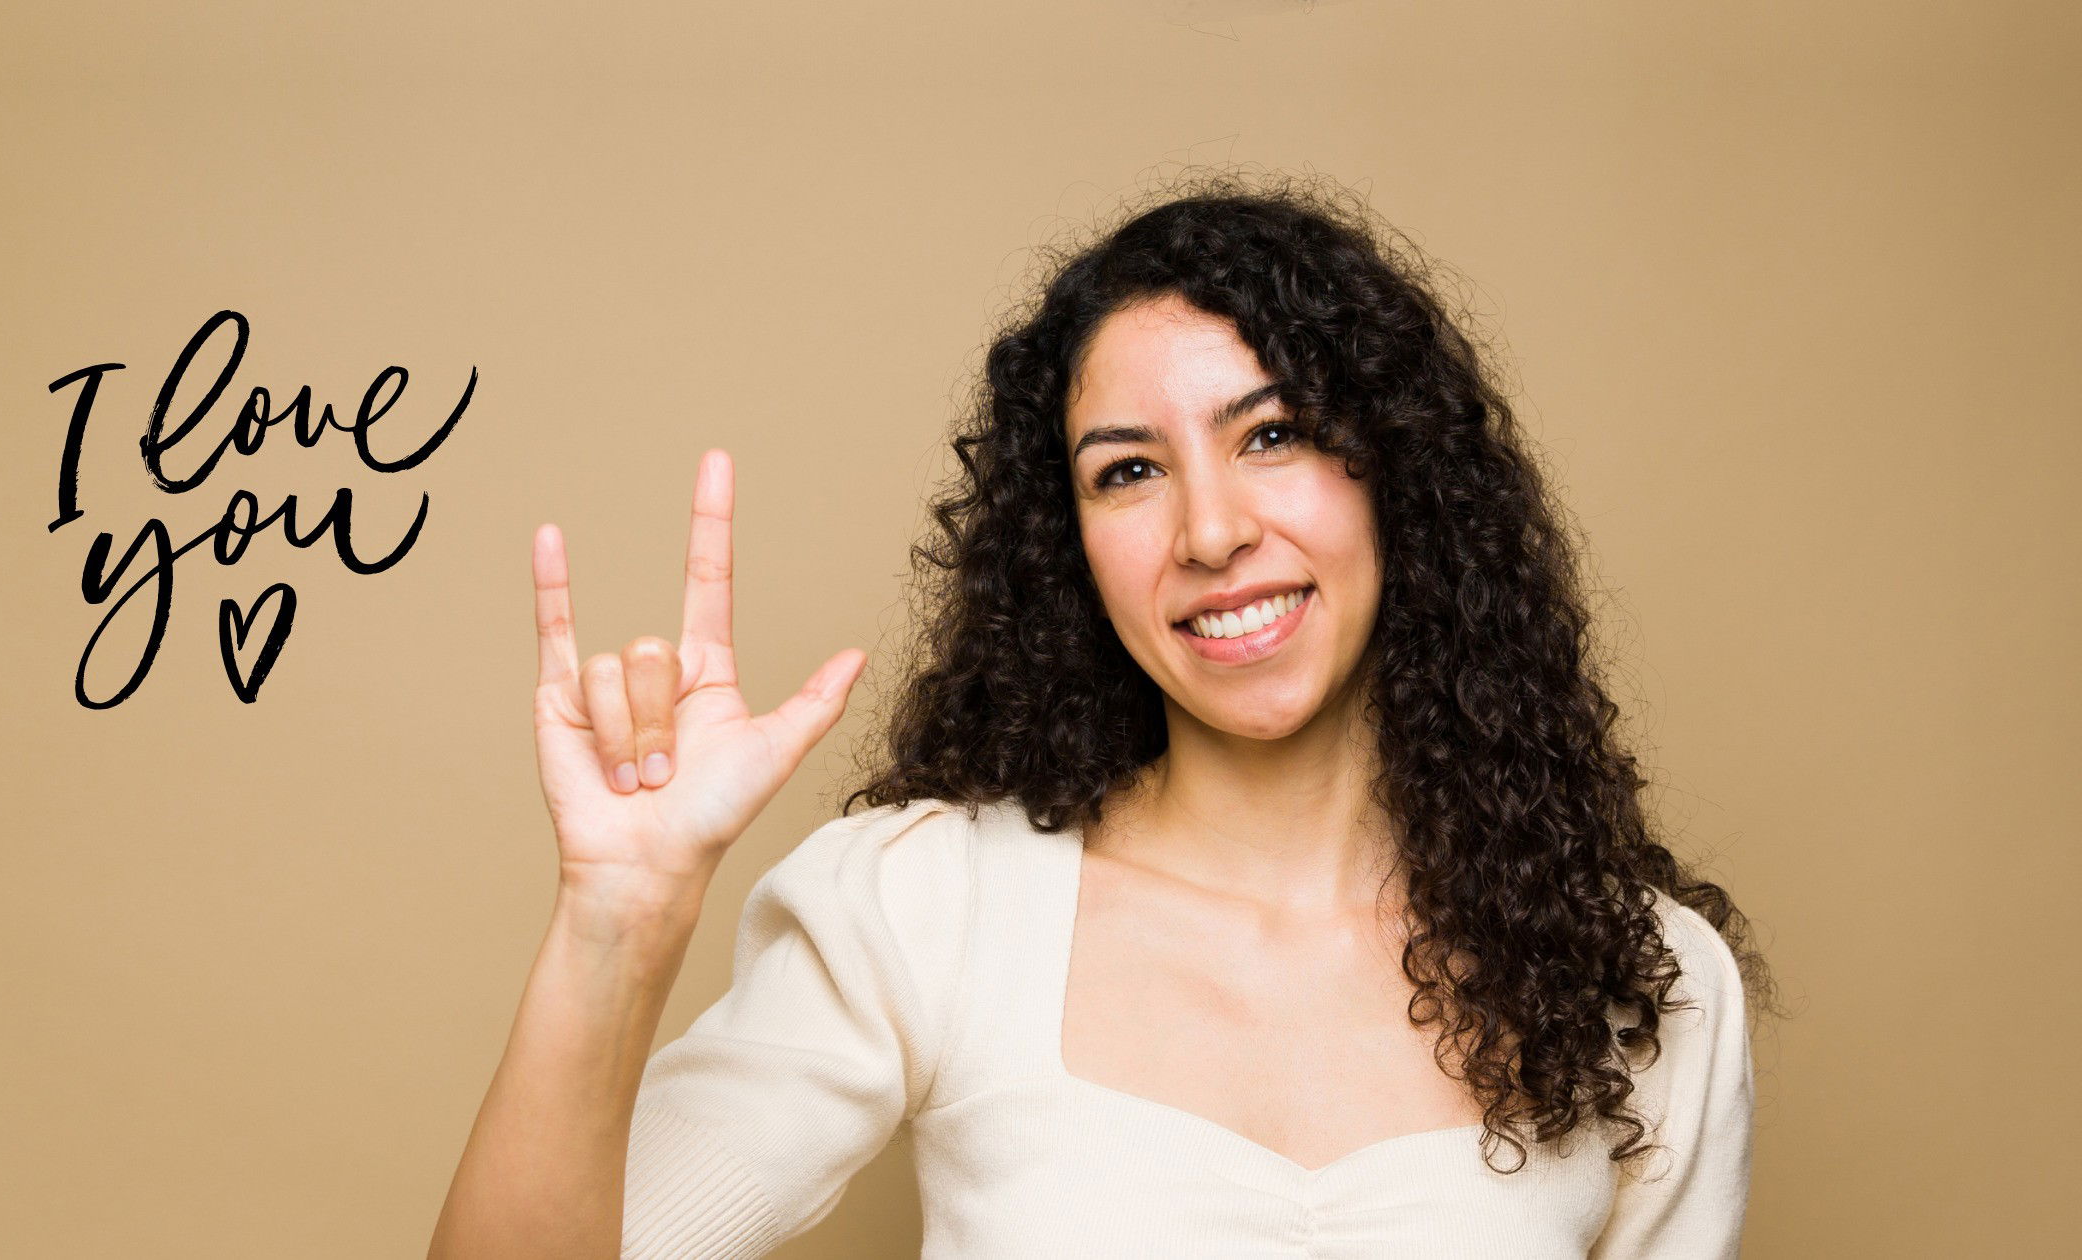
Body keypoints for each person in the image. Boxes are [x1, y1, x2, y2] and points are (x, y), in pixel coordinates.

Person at [427, 174, 1773, 1260]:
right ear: (1067, 547)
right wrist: (618, 923)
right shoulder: (935, 909)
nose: (1211, 531)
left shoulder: (1642, 984)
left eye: (1274, 434)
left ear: (1400, 477)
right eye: (1129, 471)